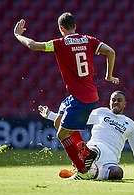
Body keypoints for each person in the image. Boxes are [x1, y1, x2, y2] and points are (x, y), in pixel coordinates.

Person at [14, 12, 119, 180]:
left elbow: (33, 45)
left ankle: (83, 172)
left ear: (61, 29)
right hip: (85, 94)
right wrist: (109, 75)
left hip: (81, 98)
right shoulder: (89, 40)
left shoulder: (60, 44)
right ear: (75, 26)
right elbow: (111, 52)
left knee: (62, 135)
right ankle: (86, 153)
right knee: (58, 122)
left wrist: (18, 35)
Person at [38, 91, 134, 180]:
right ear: (109, 102)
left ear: (124, 104)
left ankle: (89, 172)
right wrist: (50, 115)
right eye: (113, 100)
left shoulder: (131, 124)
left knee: (118, 173)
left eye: (119, 100)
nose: (116, 102)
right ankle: (85, 161)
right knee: (90, 149)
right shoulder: (101, 112)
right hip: (94, 148)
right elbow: (73, 120)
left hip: (110, 159)